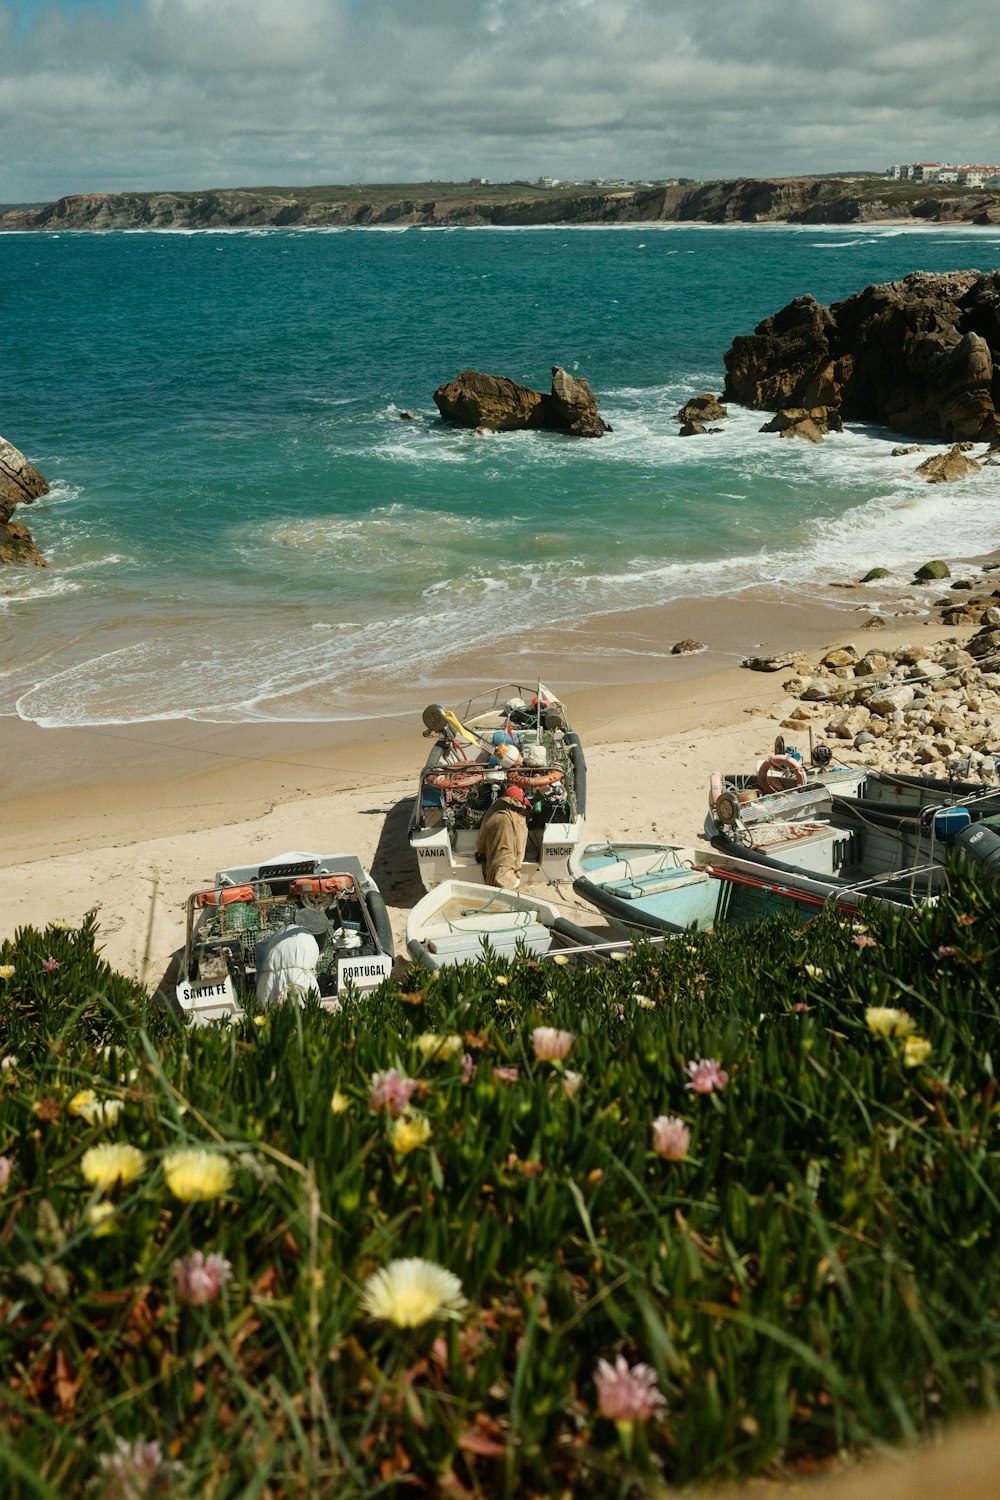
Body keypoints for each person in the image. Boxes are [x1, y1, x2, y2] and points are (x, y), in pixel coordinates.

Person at [255, 905, 330, 1007]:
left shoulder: (284, 931)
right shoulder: (309, 940)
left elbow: (260, 947)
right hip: (298, 978)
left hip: (268, 981)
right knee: (305, 1016)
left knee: (271, 1018)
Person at [476, 783, 531, 888]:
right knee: (505, 864)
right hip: (506, 866)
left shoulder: (493, 811)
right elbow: (518, 844)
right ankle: (504, 880)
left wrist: (481, 851)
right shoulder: (518, 815)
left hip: (492, 859)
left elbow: (481, 842)